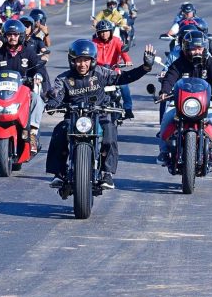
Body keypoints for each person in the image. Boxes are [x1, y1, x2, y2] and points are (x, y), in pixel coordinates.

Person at [45, 40, 156, 189]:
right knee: (59, 131)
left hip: (100, 115)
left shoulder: (101, 73)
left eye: (86, 60)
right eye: (78, 60)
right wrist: (53, 102)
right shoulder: (63, 79)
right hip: (74, 118)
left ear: (92, 61)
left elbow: (124, 77)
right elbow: (57, 94)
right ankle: (59, 173)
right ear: (72, 61)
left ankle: (107, 173)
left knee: (110, 132)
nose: (82, 64)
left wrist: (145, 67)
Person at [157, 31, 212, 169]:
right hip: (180, 101)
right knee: (166, 117)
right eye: (193, 48)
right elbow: (170, 77)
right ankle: (164, 151)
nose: (197, 51)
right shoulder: (179, 63)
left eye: (199, 48)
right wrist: (164, 91)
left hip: (205, 102)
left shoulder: (210, 62)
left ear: (204, 48)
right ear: (186, 48)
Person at [0, 19, 49, 153]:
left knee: (38, 100)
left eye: (15, 35)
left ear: (21, 36)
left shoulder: (29, 53)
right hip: (1, 94)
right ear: (5, 36)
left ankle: (32, 133)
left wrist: (38, 75)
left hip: (22, 93)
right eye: (10, 34)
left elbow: (39, 67)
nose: (12, 37)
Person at [92, 19, 135, 120]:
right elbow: (89, 54)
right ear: (98, 33)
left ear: (110, 31)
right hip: (98, 72)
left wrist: (127, 61)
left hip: (113, 71)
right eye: (101, 32)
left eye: (106, 31)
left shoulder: (116, 41)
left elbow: (123, 52)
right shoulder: (94, 43)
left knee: (124, 85)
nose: (104, 34)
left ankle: (128, 109)